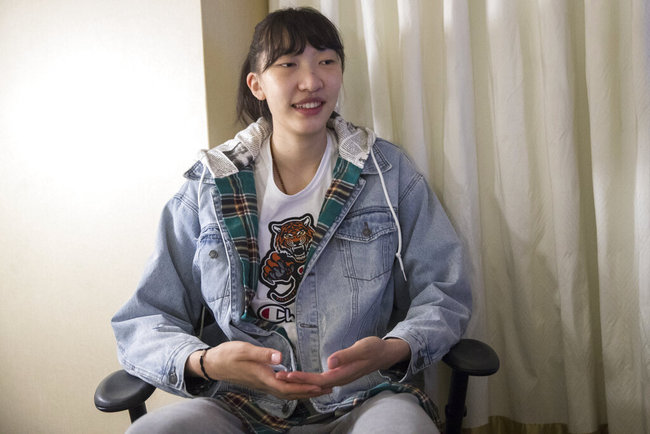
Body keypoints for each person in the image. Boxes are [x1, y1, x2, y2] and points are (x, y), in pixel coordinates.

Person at [112, 7, 471, 433]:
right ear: (257, 84)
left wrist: (395, 348)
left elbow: (446, 292)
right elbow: (145, 318)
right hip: (239, 402)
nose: (311, 81)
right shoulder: (209, 186)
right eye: (288, 64)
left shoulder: (388, 172)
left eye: (326, 61)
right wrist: (205, 362)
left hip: (364, 396)